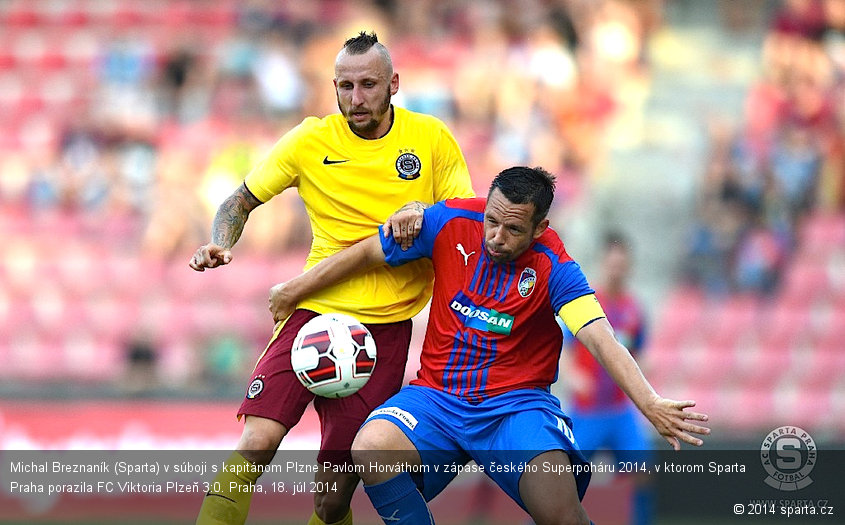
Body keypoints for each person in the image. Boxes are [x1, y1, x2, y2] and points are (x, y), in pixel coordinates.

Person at [269, 166, 711, 525]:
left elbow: (598, 336)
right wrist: (296, 288)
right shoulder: (451, 222)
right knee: (371, 447)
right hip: (436, 398)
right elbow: (369, 252)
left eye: (512, 228)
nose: (496, 236)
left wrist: (649, 402)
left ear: (541, 227)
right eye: (492, 220)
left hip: (515, 407)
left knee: (561, 515)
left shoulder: (555, 267)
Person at [189, 31, 475, 525]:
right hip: (314, 310)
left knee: (333, 498)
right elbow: (238, 202)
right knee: (257, 442)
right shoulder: (310, 140)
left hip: (384, 329)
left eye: (367, 85)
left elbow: (462, 220)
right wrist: (222, 241)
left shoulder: (430, 140)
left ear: (394, 85)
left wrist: (422, 211)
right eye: (344, 86)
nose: (355, 98)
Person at [561, 232, 655, 525]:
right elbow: (563, 348)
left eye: (621, 264)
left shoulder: (634, 310)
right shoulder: (586, 303)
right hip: (586, 411)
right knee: (562, 480)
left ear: (628, 266)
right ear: (604, 264)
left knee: (642, 472)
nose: (616, 269)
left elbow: (639, 353)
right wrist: (573, 375)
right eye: (611, 263)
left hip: (619, 411)